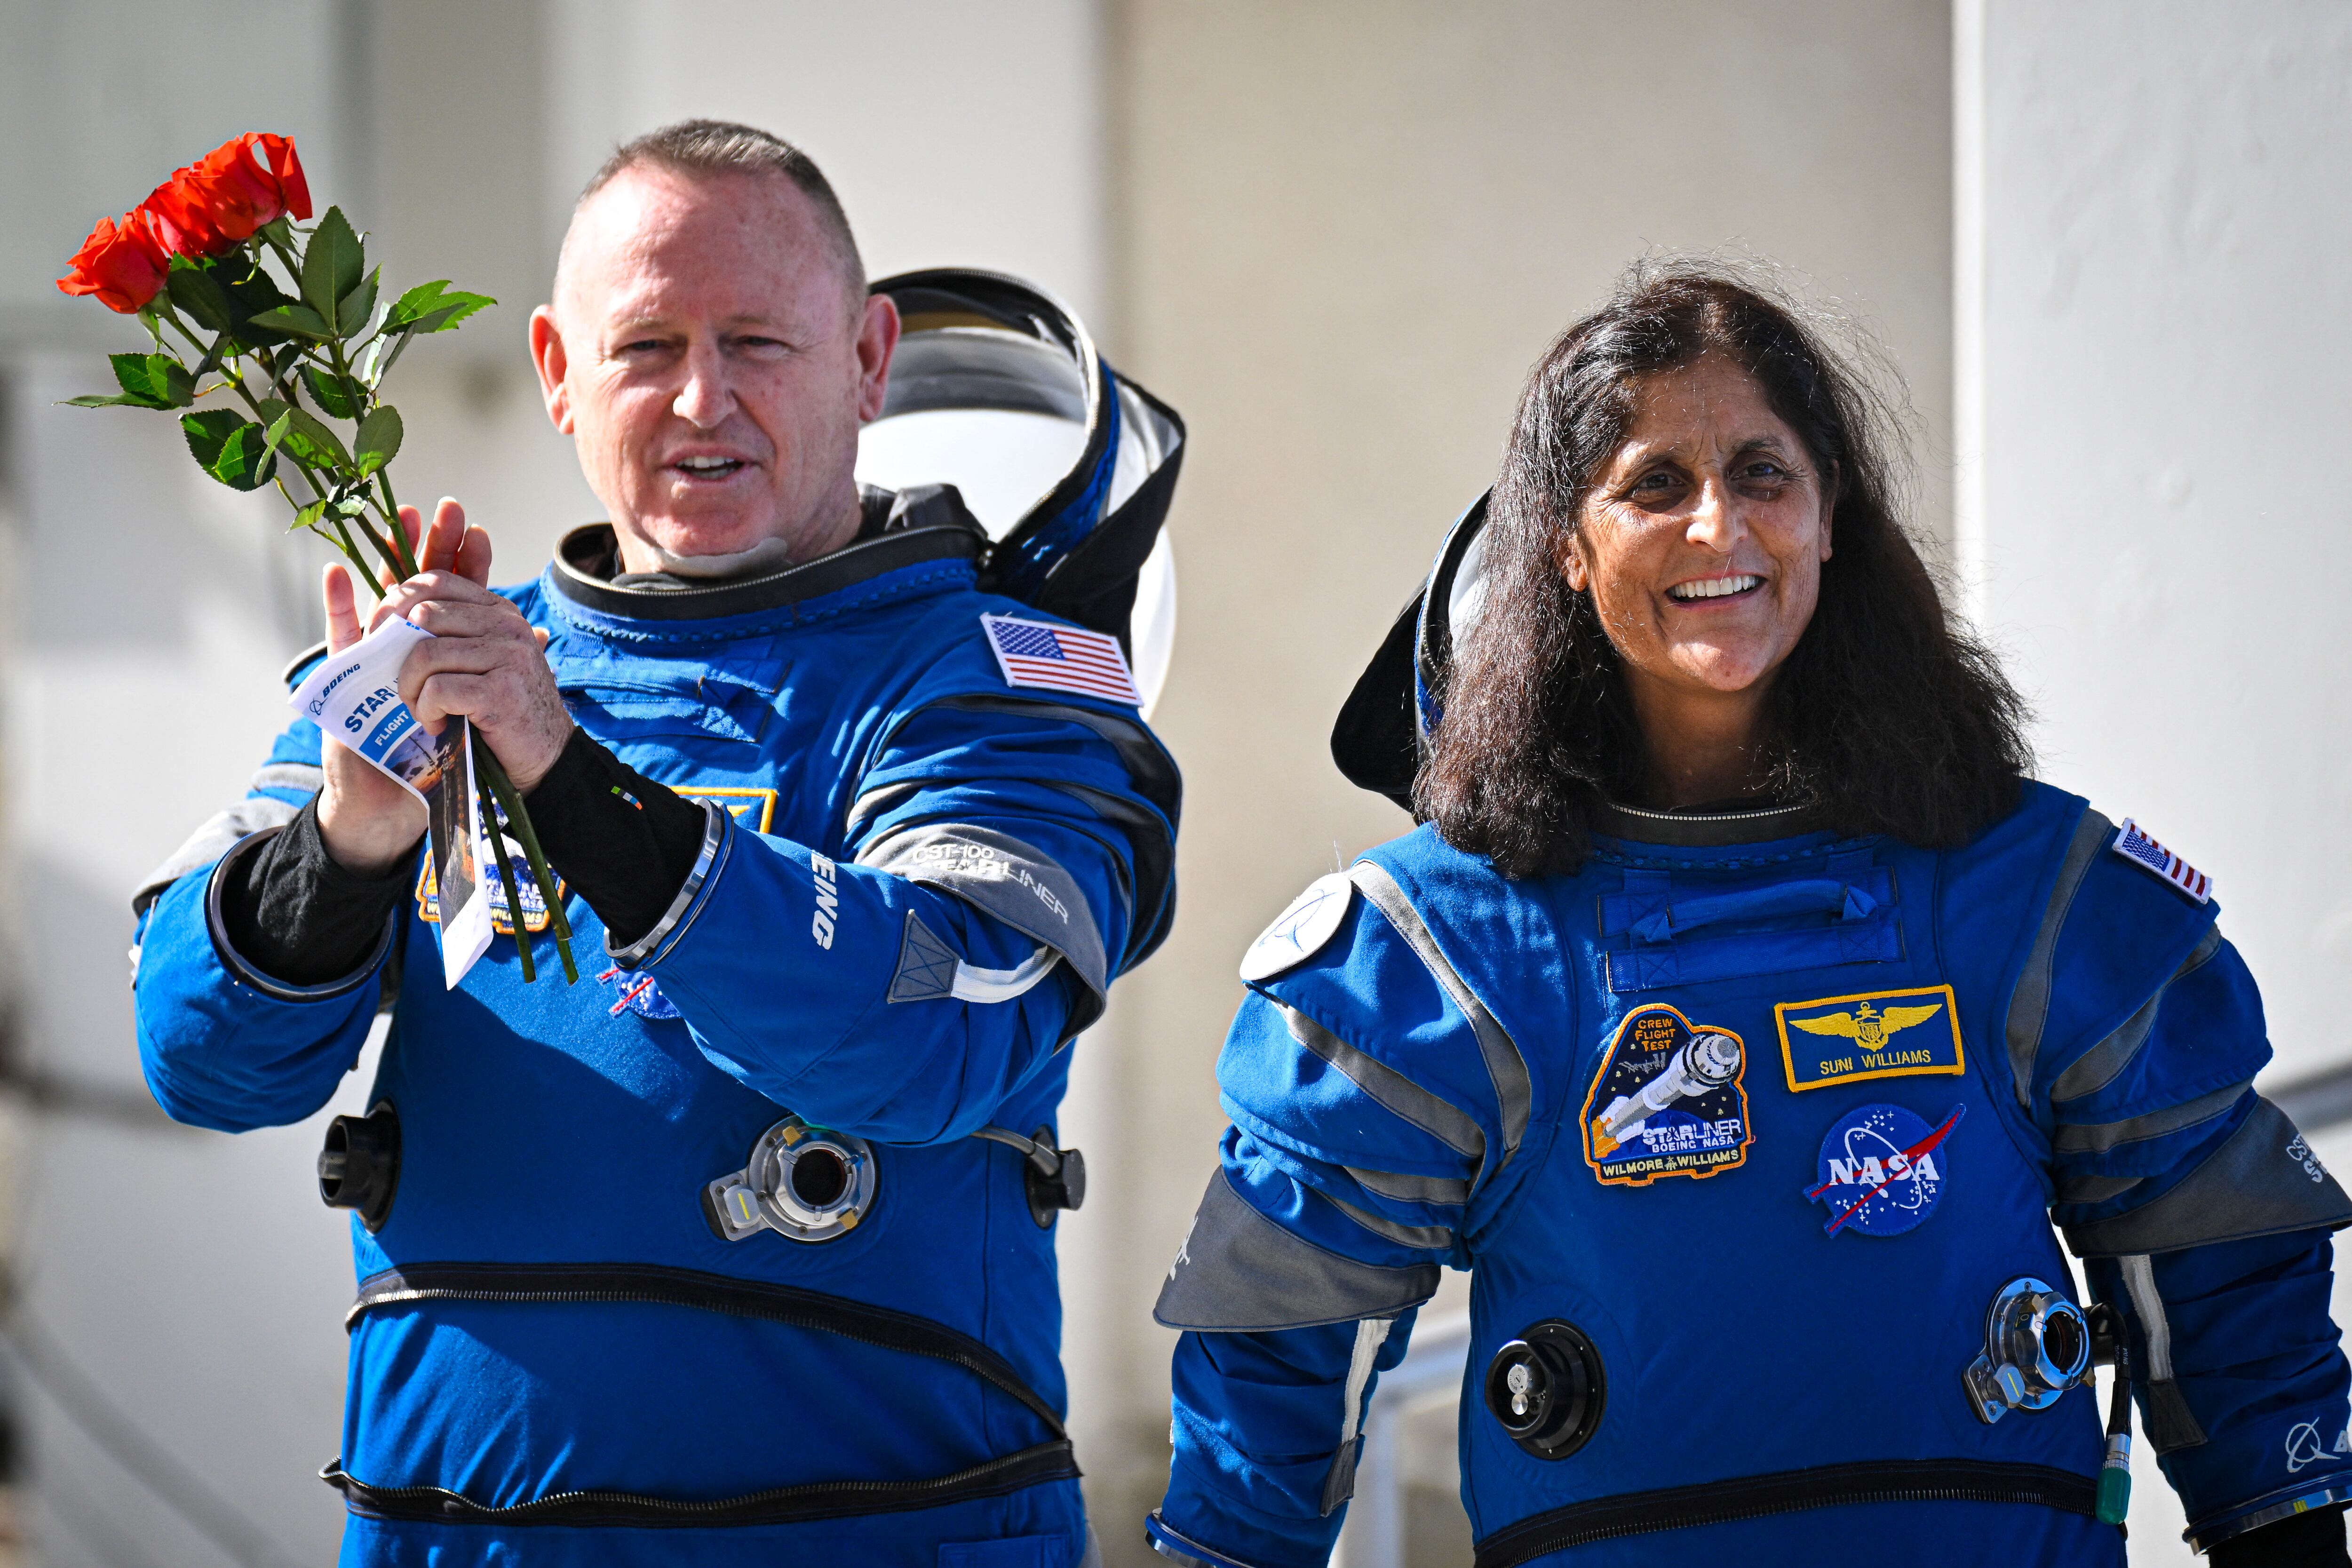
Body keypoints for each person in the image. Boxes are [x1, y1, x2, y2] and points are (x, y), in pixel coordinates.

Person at [1143, 265, 2352, 1568]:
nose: (1720, 526)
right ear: (1564, 540)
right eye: (1654, 484)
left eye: (1764, 474)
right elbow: (1271, 1373)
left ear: (1829, 514)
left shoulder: (2034, 893)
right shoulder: (1435, 955)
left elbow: (2229, 1289)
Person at [129, 120, 1180, 1567]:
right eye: (645, 349)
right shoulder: (441, 662)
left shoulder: (1001, 675)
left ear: (870, 360)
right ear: (558, 374)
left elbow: (942, 1023)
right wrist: (348, 844)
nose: (703, 397)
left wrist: (569, 783)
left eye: (757, 340)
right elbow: (199, 1058)